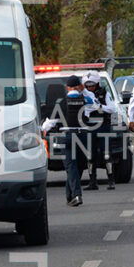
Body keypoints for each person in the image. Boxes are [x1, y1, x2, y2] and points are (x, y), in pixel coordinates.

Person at [43, 75, 95, 206]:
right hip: (83, 137)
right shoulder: (86, 100)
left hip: (66, 137)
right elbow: (97, 105)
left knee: (71, 167)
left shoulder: (61, 102)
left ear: (67, 87)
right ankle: (70, 195)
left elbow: (50, 123)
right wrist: (85, 91)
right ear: (79, 86)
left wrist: (42, 130)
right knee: (78, 167)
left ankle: (76, 195)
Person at [82, 71, 118, 191]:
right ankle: (92, 182)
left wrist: (100, 107)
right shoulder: (83, 95)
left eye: (92, 85)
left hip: (103, 126)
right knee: (90, 156)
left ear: (97, 84)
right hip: (89, 128)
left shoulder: (104, 94)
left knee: (107, 155)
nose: (90, 87)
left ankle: (111, 180)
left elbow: (112, 108)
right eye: (87, 85)